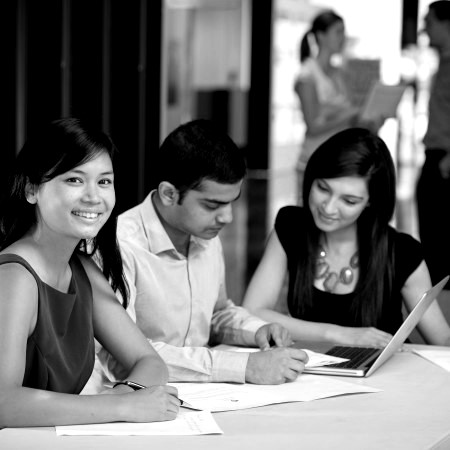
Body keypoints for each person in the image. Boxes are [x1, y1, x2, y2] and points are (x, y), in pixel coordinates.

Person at [98, 119, 308, 385]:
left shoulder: (205, 236)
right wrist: (243, 367)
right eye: (212, 205)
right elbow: (122, 355)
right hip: (137, 396)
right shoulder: (117, 246)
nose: (227, 217)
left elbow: (215, 314)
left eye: (231, 203)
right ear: (169, 194)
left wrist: (257, 330)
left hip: (204, 394)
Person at [0, 118, 179, 428]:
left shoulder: (81, 268)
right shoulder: (14, 277)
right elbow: (3, 403)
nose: (93, 197)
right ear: (31, 189)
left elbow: (149, 361)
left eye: (104, 182)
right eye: (74, 180)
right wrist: (121, 406)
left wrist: (125, 396)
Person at [243, 128, 450, 347]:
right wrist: (336, 334)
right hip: (313, 367)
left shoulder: (401, 252)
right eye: (323, 188)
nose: (328, 208)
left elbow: (443, 340)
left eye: (349, 201)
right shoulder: (292, 227)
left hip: (388, 368)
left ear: (370, 201)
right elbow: (251, 312)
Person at [294, 10, 382, 202]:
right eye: (338, 32)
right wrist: (350, 113)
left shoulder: (341, 74)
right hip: (315, 159)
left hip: (341, 161)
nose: (343, 37)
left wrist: (373, 116)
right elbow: (313, 126)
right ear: (321, 35)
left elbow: (352, 119)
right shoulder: (307, 75)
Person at [416, 1, 450, 293]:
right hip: (436, 156)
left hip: (444, 161)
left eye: (429, 22)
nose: (424, 29)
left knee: (441, 242)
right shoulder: (443, 62)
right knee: (434, 241)